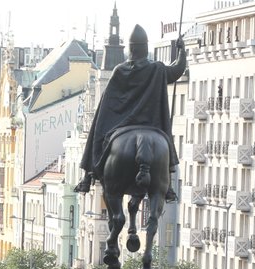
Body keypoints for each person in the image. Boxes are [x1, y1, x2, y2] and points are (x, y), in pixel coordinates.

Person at [76, 24, 186, 202]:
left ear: (131, 49)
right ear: (145, 48)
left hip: (122, 124)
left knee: (98, 123)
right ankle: (168, 184)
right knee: (165, 145)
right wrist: (182, 51)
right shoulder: (157, 68)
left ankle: (89, 174)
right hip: (151, 125)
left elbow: (108, 103)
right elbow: (176, 70)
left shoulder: (120, 70)